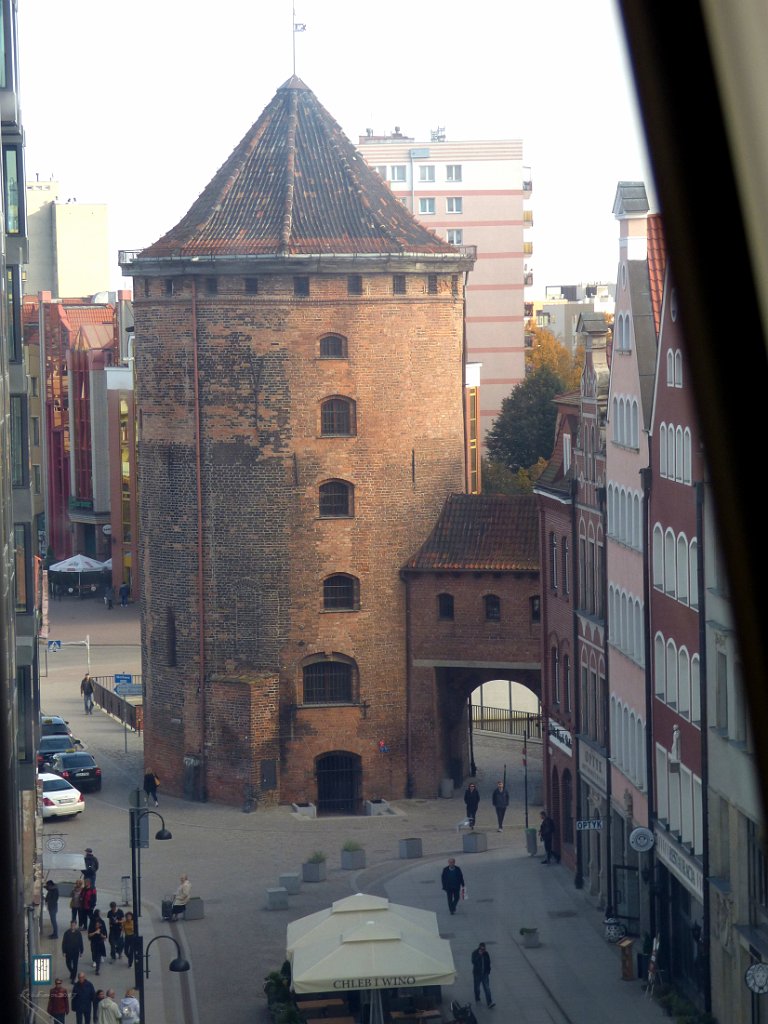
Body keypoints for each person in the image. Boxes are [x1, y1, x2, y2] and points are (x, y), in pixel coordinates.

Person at [471, 943, 495, 1008]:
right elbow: (473, 961)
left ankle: (489, 1002)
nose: (483, 950)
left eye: (484, 949)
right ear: (479, 948)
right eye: (482, 949)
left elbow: (488, 962)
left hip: (485, 974)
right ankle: (477, 998)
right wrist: (479, 955)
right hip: (477, 974)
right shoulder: (475, 953)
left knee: (487, 988)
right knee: (477, 988)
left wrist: (488, 971)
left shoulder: (486, 954)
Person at [88, 910, 107, 975]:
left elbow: (104, 934)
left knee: (98, 955)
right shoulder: (92, 923)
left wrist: (103, 936)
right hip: (94, 941)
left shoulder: (102, 922)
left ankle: (97, 969)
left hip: (99, 942)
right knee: (93, 952)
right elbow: (89, 934)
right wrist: (95, 932)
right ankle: (94, 960)